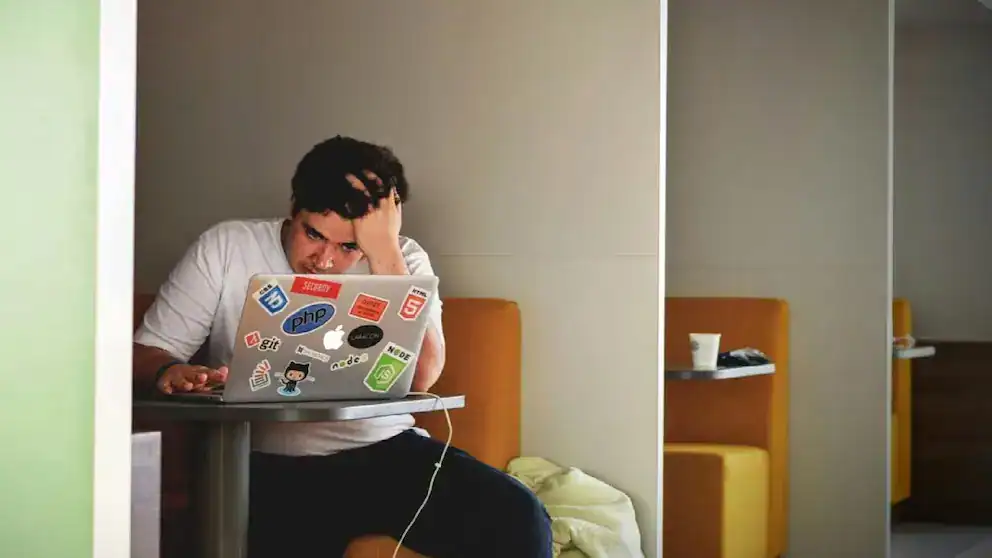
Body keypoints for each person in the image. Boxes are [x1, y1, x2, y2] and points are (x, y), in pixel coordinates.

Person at [132, 136, 553, 557]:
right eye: (313, 234)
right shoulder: (227, 247)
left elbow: (423, 375)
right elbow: (147, 352)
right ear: (293, 207)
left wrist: (386, 254)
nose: (325, 260)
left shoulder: (403, 260)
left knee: (520, 516)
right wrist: (169, 370)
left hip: (384, 453)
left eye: (348, 246)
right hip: (264, 463)